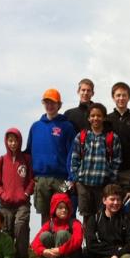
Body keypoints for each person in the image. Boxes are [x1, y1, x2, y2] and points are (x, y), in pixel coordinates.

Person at [26, 88, 75, 225]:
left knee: (64, 213)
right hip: (41, 179)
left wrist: (71, 178)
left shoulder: (67, 126)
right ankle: (46, 244)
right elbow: (28, 153)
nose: (50, 105)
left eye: (53, 103)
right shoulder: (35, 127)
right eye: (46, 102)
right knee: (45, 214)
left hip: (62, 179)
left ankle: (63, 244)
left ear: (59, 105)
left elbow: (73, 153)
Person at [0, 127, 34, 258]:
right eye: (10, 140)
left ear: (20, 141)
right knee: (7, 232)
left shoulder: (27, 159)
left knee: (21, 228)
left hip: (23, 202)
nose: (13, 143)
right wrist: (2, 195)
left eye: (15, 140)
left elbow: (33, 179)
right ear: (6, 142)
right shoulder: (0, 161)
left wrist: (27, 193)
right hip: (5, 204)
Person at [69, 102, 122, 220]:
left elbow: (116, 160)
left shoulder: (112, 137)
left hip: (103, 184)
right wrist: (76, 177)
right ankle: (88, 238)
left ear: (104, 117)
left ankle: (102, 238)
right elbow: (75, 158)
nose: (95, 118)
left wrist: (111, 180)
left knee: (102, 215)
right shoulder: (81, 136)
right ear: (88, 118)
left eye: (98, 115)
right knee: (86, 216)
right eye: (92, 116)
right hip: (84, 184)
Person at [30, 192, 83, 258]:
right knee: (44, 236)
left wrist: (60, 250)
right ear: (54, 209)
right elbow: (35, 242)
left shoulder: (75, 223)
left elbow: (78, 240)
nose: (64, 210)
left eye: (66, 208)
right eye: (60, 208)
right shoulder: (49, 224)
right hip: (53, 257)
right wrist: (44, 251)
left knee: (62, 234)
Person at [107, 82, 130, 193]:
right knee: (112, 203)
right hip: (110, 170)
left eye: (124, 95)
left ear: (129, 97)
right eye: (118, 95)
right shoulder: (107, 120)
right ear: (113, 97)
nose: (121, 98)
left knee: (128, 206)